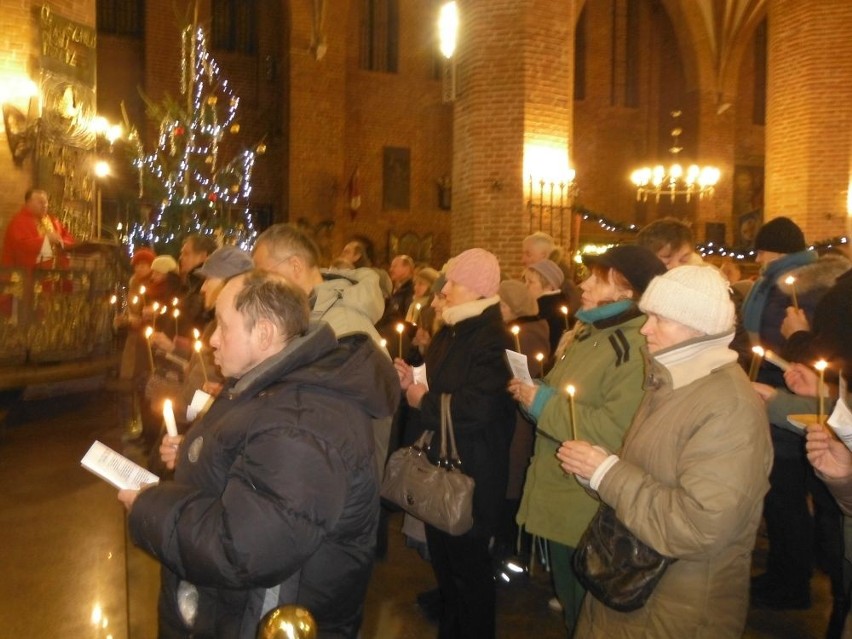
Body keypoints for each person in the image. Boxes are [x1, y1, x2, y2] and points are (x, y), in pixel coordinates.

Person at [118, 270, 399, 638]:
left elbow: (243, 549)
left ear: (264, 333)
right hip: (235, 610)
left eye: (222, 326)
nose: (213, 339)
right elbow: (251, 466)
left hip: (260, 619)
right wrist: (194, 453)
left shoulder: (305, 423)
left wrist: (148, 506)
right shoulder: (269, 386)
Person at [557, 265, 773, 638]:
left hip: (676, 609)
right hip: (633, 588)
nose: (644, 329)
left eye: (659, 318)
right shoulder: (672, 381)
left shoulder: (727, 407)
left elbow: (699, 526)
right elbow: (649, 474)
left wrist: (608, 473)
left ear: (699, 328)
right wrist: (594, 473)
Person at [510, 244, 666, 634]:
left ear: (626, 292)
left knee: (588, 614)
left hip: (586, 503)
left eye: (597, 279)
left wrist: (544, 404)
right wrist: (535, 392)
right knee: (571, 602)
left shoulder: (631, 347)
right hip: (560, 488)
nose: (583, 284)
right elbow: (571, 395)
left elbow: (615, 429)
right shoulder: (590, 332)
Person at [395, 248, 515, 639]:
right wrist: (412, 379)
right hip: (442, 465)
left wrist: (421, 400)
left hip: (472, 472)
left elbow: (477, 409)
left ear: (478, 290)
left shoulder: (493, 339)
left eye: (453, 283)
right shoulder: (453, 329)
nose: (443, 290)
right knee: (447, 573)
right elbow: (439, 381)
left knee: (470, 576)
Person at [743, 217, 849, 611]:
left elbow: (824, 353)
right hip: (801, 389)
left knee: (787, 493)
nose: (758, 257)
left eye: (762, 250)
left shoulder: (808, 289)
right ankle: (800, 573)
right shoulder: (820, 283)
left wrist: (796, 340)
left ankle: (794, 580)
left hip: (793, 395)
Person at [252, 223, 390, 475]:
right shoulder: (306, 313)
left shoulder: (344, 327)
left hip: (335, 478)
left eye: (263, 273)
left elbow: (365, 424)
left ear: (295, 266)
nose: (260, 284)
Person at [2, 189, 75, 268]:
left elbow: (68, 238)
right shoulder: (19, 222)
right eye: (40, 202)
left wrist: (61, 242)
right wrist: (47, 240)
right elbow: (21, 247)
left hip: (55, 271)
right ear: (28, 203)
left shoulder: (52, 220)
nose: (45, 205)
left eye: (46, 202)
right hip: (29, 274)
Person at [522, 258, 570, 360]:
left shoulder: (544, 310)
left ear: (549, 285)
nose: (525, 286)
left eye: (530, 282)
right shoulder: (556, 303)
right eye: (525, 281)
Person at [179, 234, 219, 329]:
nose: (180, 258)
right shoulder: (191, 282)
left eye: (186, 254)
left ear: (203, 256)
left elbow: (201, 325)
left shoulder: (209, 284)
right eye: (181, 253)